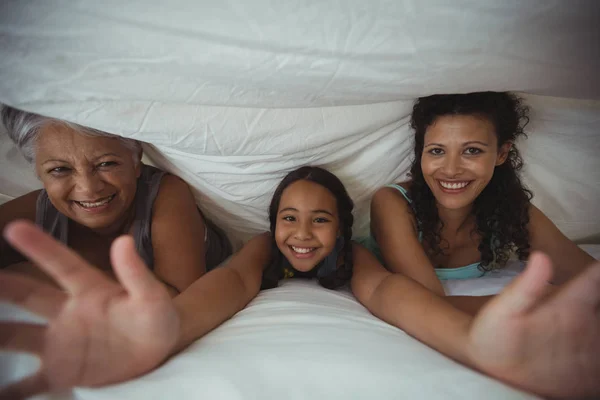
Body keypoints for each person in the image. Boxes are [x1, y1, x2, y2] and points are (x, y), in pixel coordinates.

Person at [1, 166, 599, 400]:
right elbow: (233, 280)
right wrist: (170, 330)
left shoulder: (353, 257)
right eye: (289, 217)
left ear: (342, 228)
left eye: (320, 219)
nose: (303, 233)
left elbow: (390, 295)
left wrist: (473, 345)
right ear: (272, 224)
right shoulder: (262, 250)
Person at [362, 92, 596, 313]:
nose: (451, 170)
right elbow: (428, 305)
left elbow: (588, 278)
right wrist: (541, 301)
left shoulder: (510, 208)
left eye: (472, 151)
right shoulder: (392, 203)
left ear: (502, 154)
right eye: (436, 151)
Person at [0, 105, 232, 296]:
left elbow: (180, 299)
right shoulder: (39, 209)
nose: (88, 189)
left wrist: (34, 274)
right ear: (39, 174)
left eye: (106, 164)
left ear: (135, 160)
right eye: (60, 169)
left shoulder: (167, 194)